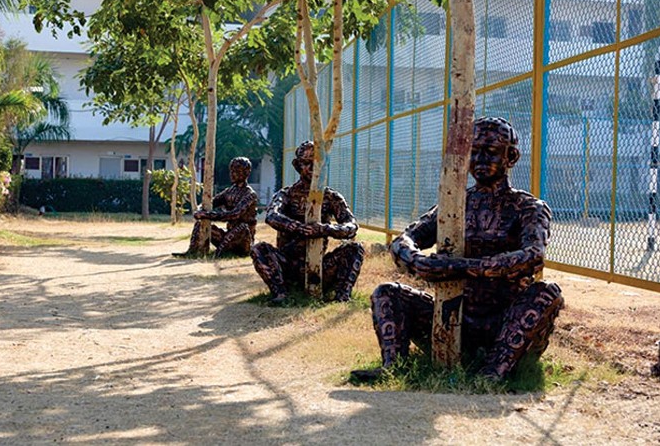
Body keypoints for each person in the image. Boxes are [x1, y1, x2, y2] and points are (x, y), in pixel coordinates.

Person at [355, 117, 564, 381]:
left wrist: (458, 267)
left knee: (547, 292)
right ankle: (394, 367)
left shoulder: (528, 207)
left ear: (511, 157)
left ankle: (494, 372)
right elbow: (403, 240)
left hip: (506, 322)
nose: (479, 159)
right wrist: (418, 261)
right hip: (454, 317)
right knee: (386, 292)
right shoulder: (454, 204)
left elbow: (532, 257)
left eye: (490, 152)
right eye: (473, 151)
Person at [251, 141, 364, 303]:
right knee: (259, 249)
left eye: (316, 163)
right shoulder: (286, 195)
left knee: (355, 249)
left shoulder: (331, 197)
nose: (311, 168)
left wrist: (325, 229)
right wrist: (299, 228)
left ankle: (342, 296)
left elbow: (351, 226)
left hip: (318, 267)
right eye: (306, 163)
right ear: (297, 166)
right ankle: (280, 293)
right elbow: (272, 216)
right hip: (287, 264)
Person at [174, 157, 258, 258]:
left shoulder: (250, 194)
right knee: (201, 223)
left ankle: (220, 253)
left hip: (243, 240)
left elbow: (234, 214)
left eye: (236, 171)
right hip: (228, 235)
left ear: (246, 173)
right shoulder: (229, 191)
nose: (232, 173)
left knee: (242, 228)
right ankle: (195, 251)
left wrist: (209, 215)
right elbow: (211, 202)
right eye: (231, 170)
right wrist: (200, 210)